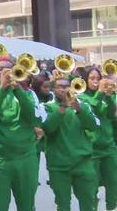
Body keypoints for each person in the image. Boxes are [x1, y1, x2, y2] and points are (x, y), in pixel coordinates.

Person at [0, 56, 40, 211]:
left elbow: (34, 118)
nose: (5, 72)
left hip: (25, 158)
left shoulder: (29, 94)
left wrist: (17, 89)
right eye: (0, 69)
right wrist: (2, 90)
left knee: (27, 206)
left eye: (9, 68)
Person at [43, 77, 100, 211]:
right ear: (53, 89)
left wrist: (79, 109)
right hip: (59, 165)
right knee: (63, 204)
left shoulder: (83, 106)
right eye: (60, 87)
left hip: (83, 163)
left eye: (67, 86)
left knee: (88, 202)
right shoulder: (47, 107)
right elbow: (49, 129)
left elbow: (92, 126)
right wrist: (63, 106)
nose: (64, 89)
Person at [79, 67, 117, 211]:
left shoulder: (108, 95)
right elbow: (90, 111)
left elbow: (112, 115)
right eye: (92, 78)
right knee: (91, 186)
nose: (95, 81)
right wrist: (100, 93)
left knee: (113, 183)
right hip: (91, 149)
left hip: (109, 146)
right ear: (86, 80)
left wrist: (108, 96)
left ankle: (112, 207)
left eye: (97, 78)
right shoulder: (82, 97)